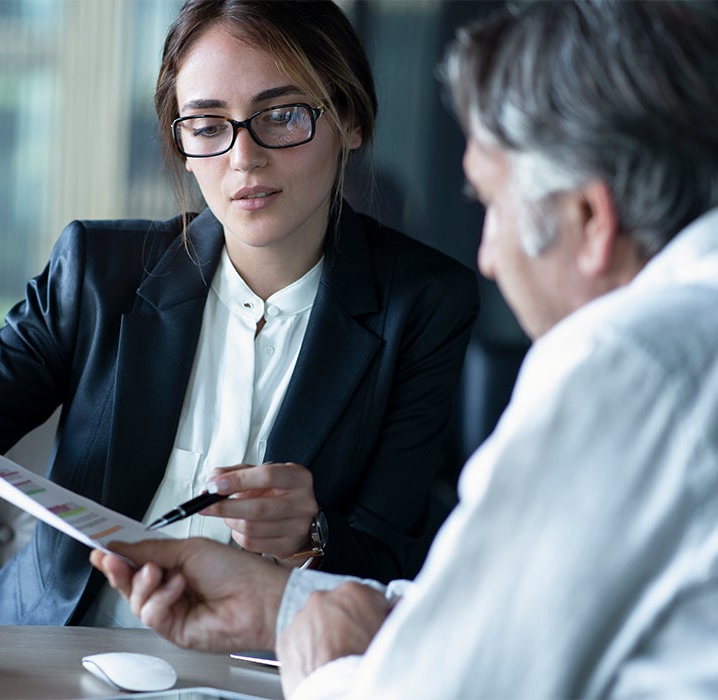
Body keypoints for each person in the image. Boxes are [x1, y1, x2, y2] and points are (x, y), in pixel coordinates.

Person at [90, 0, 718, 696]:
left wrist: (324, 670)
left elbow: (455, 684)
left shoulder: (627, 365)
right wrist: (281, 608)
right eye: (208, 124)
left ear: (589, 219)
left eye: (493, 206)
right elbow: (500, 622)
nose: (488, 255)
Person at [0, 0, 478, 626]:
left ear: (349, 120)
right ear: (182, 143)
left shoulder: (424, 305)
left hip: (261, 672)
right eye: (208, 126)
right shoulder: (97, 272)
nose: (243, 158)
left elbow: (396, 560)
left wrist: (310, 534)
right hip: (51, 658)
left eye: (282, 115)